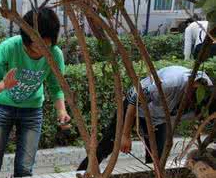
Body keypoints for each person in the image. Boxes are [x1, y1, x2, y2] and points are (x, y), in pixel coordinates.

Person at [0, 8, 71, 178]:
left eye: (46, 45)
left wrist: (61, 111)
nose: (42, 51)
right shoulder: (8, 48)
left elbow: (55, 86)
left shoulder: (55, 54)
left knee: (25, 170)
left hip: (32, 111)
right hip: (1, 108)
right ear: (26, 39)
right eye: (37, 45)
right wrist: (3, 85)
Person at [77, 66, 213, 171]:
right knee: (108, 144)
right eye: (190, 102)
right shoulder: (168, 84)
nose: (191, 107)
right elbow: (134, 100)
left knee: (157, 157)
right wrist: (125, 135)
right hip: (134, 106)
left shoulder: (208, 95)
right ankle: (82, 174)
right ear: (187, 90)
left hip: (158, 117)